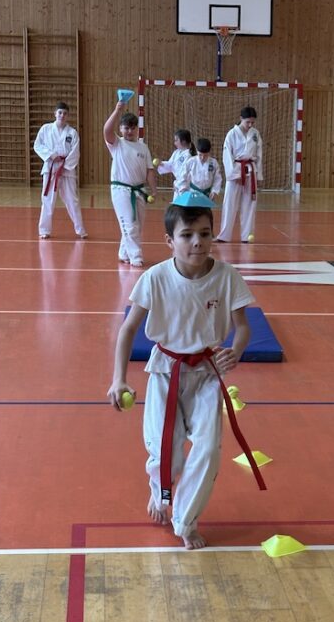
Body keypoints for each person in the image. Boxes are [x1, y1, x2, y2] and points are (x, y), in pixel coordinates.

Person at [107, 190, 265, 550]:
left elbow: (242, 327)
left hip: (207, 373)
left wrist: (236, 351)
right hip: (166, 372)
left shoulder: (227, 277)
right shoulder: (155, 277)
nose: (197, 242)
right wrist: (119, 379)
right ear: (169, 241)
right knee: (167, 450)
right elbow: (128, 329)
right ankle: (160, 491)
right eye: (187, 235)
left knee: (208, 450)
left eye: (205, 234)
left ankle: (186, 519)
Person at [103, 100, 157, 266]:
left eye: (132, 128)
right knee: (129, 223)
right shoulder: (117, 144)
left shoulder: (143, 148)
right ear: (121, 129)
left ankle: (124, 252)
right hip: (121, 189)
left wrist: (153, 190)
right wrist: (117, 111)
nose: (129, 131)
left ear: (137, 129)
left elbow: (149, 170)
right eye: (126, 128)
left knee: (137, 225)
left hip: (139, 190)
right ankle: (136, 256)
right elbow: (106, 130)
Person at [33, 101, 87, 240]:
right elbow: (37, 145)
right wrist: (51, 155)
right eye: (60, 112)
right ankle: (44, 230)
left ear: (68, 116)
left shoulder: (72, 133)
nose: (62, 115)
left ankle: (80, 230)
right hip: (50, 168)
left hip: (67, 170)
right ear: (55, 114)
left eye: (65, 113)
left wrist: (65, 166)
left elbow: (75, 152)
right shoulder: (45, 129)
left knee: (72, 200)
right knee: (47, 200)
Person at [216, 106, 263, 243]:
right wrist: (233, 174)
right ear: (241, 118)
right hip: (236, 170)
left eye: (252, 122)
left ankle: (247, 236)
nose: (250, 125)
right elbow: (227, 155)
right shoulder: (232, 134)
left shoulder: (255, 134)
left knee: (250, 204)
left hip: (251, 170)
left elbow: (259, 154)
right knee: (229, 203)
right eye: (248, 122)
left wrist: (258, 174)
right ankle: (224, 236)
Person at [156, 129, 196, 195]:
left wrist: (177, 184)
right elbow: (171, 165)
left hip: (186, 186)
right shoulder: (177, 152)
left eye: (176, 140)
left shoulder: (189, 156)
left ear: (183, 141)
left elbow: (185, 174)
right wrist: (161, 164)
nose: (175, 143)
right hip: (178, 185)